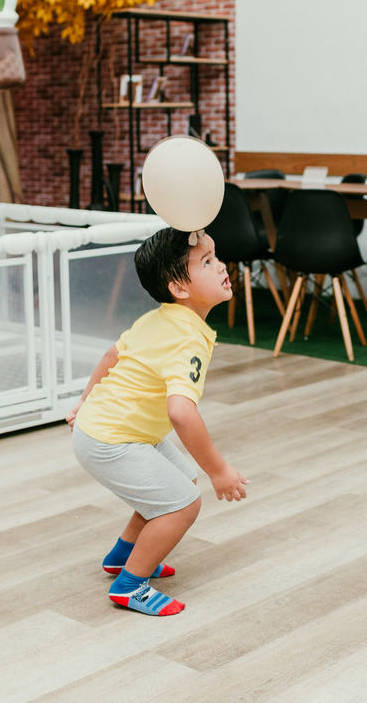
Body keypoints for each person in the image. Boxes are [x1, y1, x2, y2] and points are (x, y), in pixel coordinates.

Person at [68, 227, 249, 616]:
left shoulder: (160, 318)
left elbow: (111, 355)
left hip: (109, 428)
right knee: (182, 505)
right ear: (179, 288)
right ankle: (130, 585)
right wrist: (219, 470)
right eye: (206, 262)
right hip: (112, 439)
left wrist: (85, 402)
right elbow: (182, 413)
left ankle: (123, 556)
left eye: (215, 256)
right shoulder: (187, 338)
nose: (220, 267)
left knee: (176, 485)